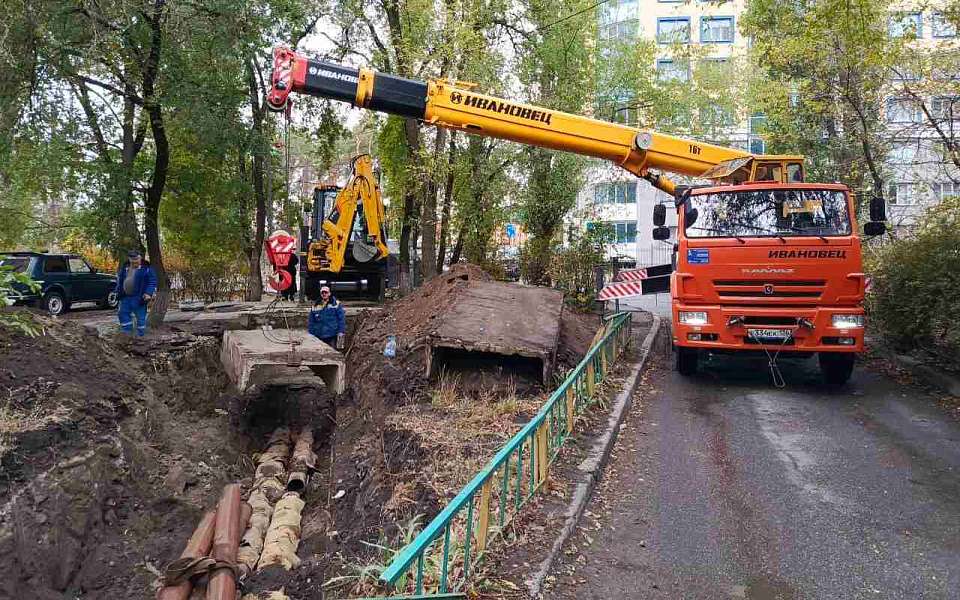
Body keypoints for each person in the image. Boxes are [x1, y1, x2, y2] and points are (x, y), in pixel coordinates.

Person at [115, 250, 157, 337]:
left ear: (140, 258)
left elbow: (152, 281)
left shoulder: (147, 268)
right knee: (123, 314)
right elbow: (120, 280)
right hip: (125, 297)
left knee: (140, 317)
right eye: (132, 260)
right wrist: (118, 291)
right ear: (129, 259)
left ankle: (141, 336)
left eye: (136, 259)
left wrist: (148, 293)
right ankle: (127, 334)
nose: (135, 262)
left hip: (139, 297)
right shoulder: (125, 267)